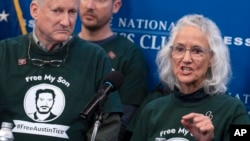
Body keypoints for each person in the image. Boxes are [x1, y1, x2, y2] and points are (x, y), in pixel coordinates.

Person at [0, 0, 123, 141]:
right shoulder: (5, 52)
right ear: (34, 11)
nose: (66, 22)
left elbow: (108, 123)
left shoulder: (94, 57)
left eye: (72, 12)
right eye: (57, 11)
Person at [130, 14, 250, 141]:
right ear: (171, 55)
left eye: (197, 51)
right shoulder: (152, 110)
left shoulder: (234, 110)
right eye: (180, 49)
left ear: (212, 59)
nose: (186, 59)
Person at [78, 0, 148, 140]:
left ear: (115, 6)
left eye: (100, 0)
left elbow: (124, 120)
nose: (90, 6)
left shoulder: (129, 54)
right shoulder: (62, 46)